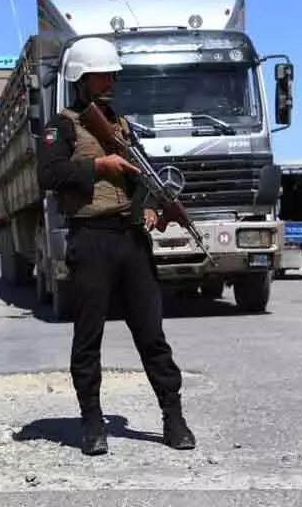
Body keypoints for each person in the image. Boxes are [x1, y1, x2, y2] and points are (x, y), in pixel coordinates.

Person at [37, 36, 196, 456]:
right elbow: (49, 176)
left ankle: (173, 416)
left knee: (151, 334)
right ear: (81, 79)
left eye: (112, 74)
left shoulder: (120, 124)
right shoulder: (62, 125)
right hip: (91, 240)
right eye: (103, 75)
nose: (111, 81)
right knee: (89, 337)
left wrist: (152, 209)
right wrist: (97, 166)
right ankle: (92, 421)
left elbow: (141, 179)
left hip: (130, 239)